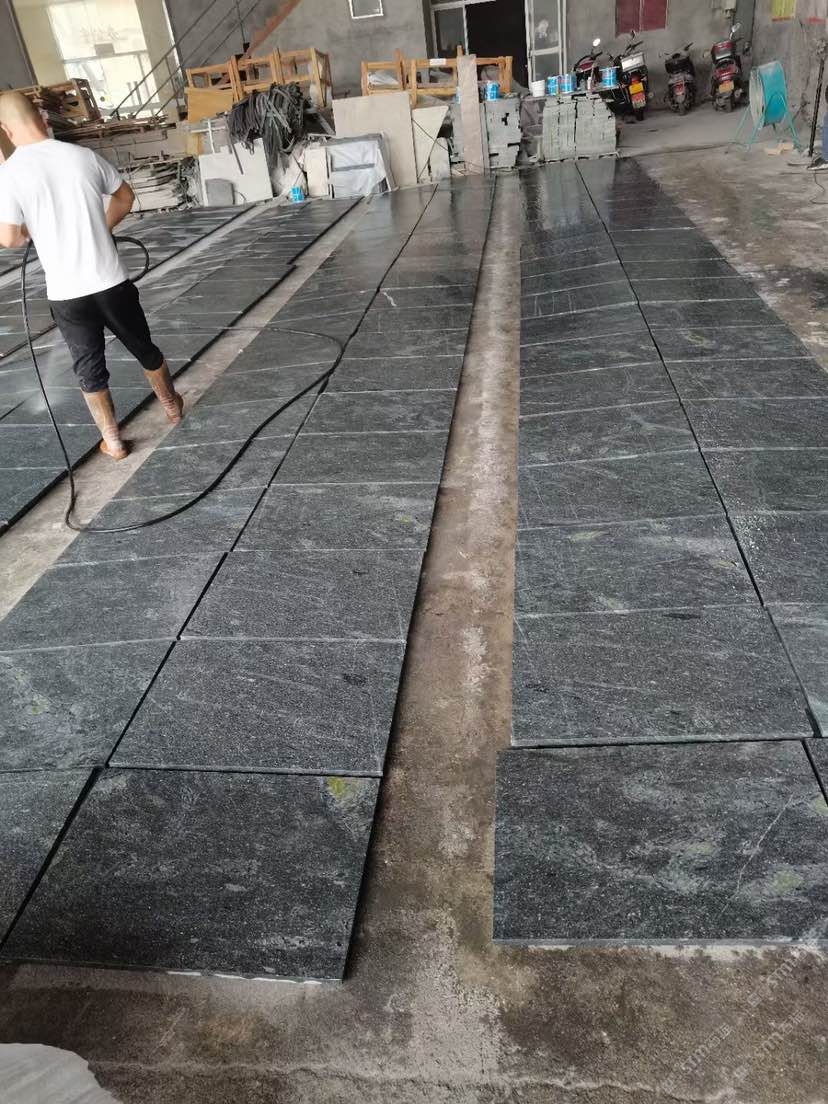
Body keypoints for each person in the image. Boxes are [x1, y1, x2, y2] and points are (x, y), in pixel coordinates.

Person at [0, 91, 183, 460]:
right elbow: (125, 198)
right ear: (41, 117)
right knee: (143, 347)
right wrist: (102, 227)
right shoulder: (82, 156)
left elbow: (9, 239)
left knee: (89, 367)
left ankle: (113, 441)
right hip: (111, 281)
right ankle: (172, 406)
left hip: (67, 293)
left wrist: (32, 229)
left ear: (5, 128)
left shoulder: (10, 174)